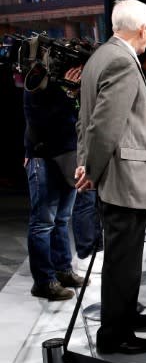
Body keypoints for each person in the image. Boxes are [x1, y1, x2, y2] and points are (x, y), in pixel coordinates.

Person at [75, 0, 146, 355]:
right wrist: (91, 170)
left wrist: (86, 163)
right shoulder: (121, 61)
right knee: (121, 262)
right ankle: (114, 335)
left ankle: (126, 316)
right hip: (125, 178)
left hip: (120, 176)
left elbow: (87, 120)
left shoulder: (101, 55)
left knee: (125, 258)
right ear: (143, 29)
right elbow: (104, 126)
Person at [23, 65, 87, 300]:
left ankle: (63, 270)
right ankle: (43, 281)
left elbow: (78, 116)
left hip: (68, 154)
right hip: (44, 157)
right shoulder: (37, 78)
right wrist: (67, 91)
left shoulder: (69, 84)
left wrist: (74, 92)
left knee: (61, 219)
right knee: (43, 222)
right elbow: (39, 118)